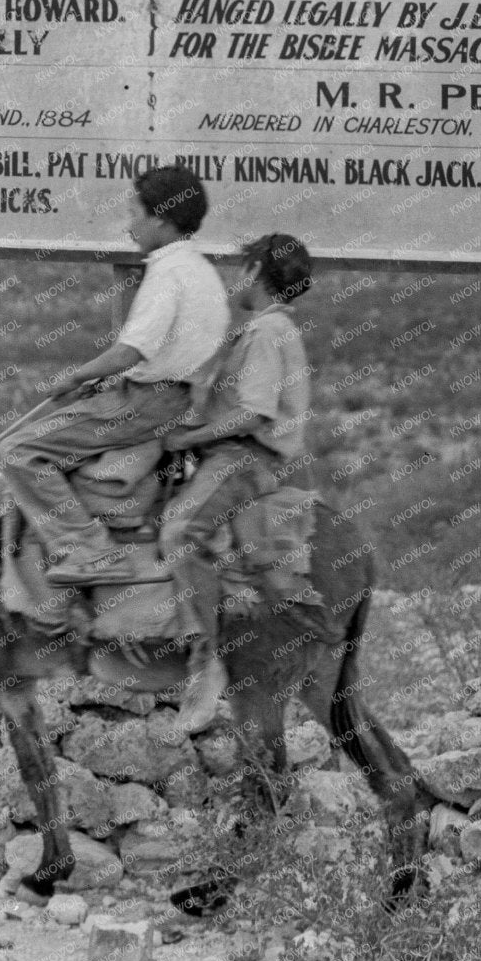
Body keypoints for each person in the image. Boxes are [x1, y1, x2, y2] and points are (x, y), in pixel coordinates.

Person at [0, 165, 230, 587]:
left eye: (134, 213)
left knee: (17, 450)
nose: (130, 226)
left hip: (147, 401)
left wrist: (72, 379)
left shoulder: (166, 273)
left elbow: (131, 351)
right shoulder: (201, 270)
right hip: (173, 395)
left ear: (159, 217)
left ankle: (90, 552)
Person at [158, 231, 315, 733]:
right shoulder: (262, 330)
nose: (236, 278)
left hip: (243, 458)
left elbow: (252, 414)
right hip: (230, 451)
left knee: (178, 533)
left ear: (254, 273)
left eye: (242, 268)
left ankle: (207, 662)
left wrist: (189, 439)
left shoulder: (268, 332)